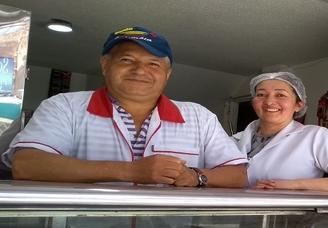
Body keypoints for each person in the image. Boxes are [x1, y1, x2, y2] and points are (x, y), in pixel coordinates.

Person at [2, 26, 247, 188]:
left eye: (153, 64)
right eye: (127, 60)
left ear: (167, 74)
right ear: (105, 65)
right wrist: (130, 172)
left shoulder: (199, 116)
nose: (140, 70)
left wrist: (196, 177)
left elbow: (238, 175)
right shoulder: (65, 106)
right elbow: (27, 164)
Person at [233, 72, 328, 194]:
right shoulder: (233, 140)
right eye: (261, 95)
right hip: (235, 219)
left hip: (289, 220)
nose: (269, 102)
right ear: (253, 102)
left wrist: (292, 185)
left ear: (298, 104)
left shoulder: (315, 137)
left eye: (280, 95)